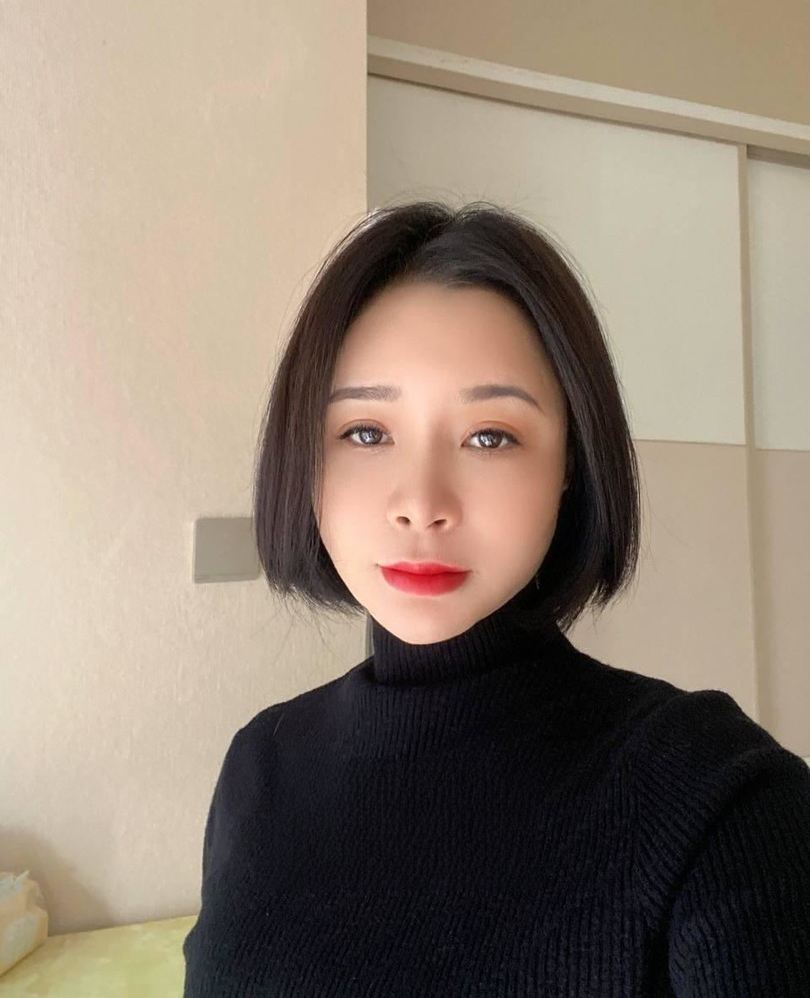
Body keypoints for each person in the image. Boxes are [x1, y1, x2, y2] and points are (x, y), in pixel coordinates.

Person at [182, 201, 810, 996]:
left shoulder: (719, 799)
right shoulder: (260, 766)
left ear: (569, 464)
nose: (421, 503)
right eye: (366, 432)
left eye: (491, 436)